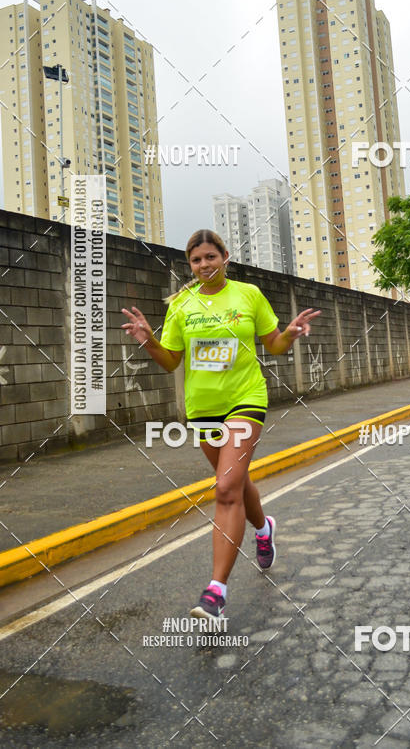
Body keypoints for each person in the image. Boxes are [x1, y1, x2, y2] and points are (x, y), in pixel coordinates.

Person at [121, 229, 320, 619]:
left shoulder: (248, 295)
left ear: (225, 257)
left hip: (245, 399)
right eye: (196, 260)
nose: (204, 265)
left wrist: (290, 334)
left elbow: (274, 344)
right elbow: (171, 361)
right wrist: (148, 340)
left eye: (210, 257)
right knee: (236, 482)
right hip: (203, 408)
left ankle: (215, 592)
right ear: (190, 265)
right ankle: (263, 529)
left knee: (226, 487)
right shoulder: (182, 304)